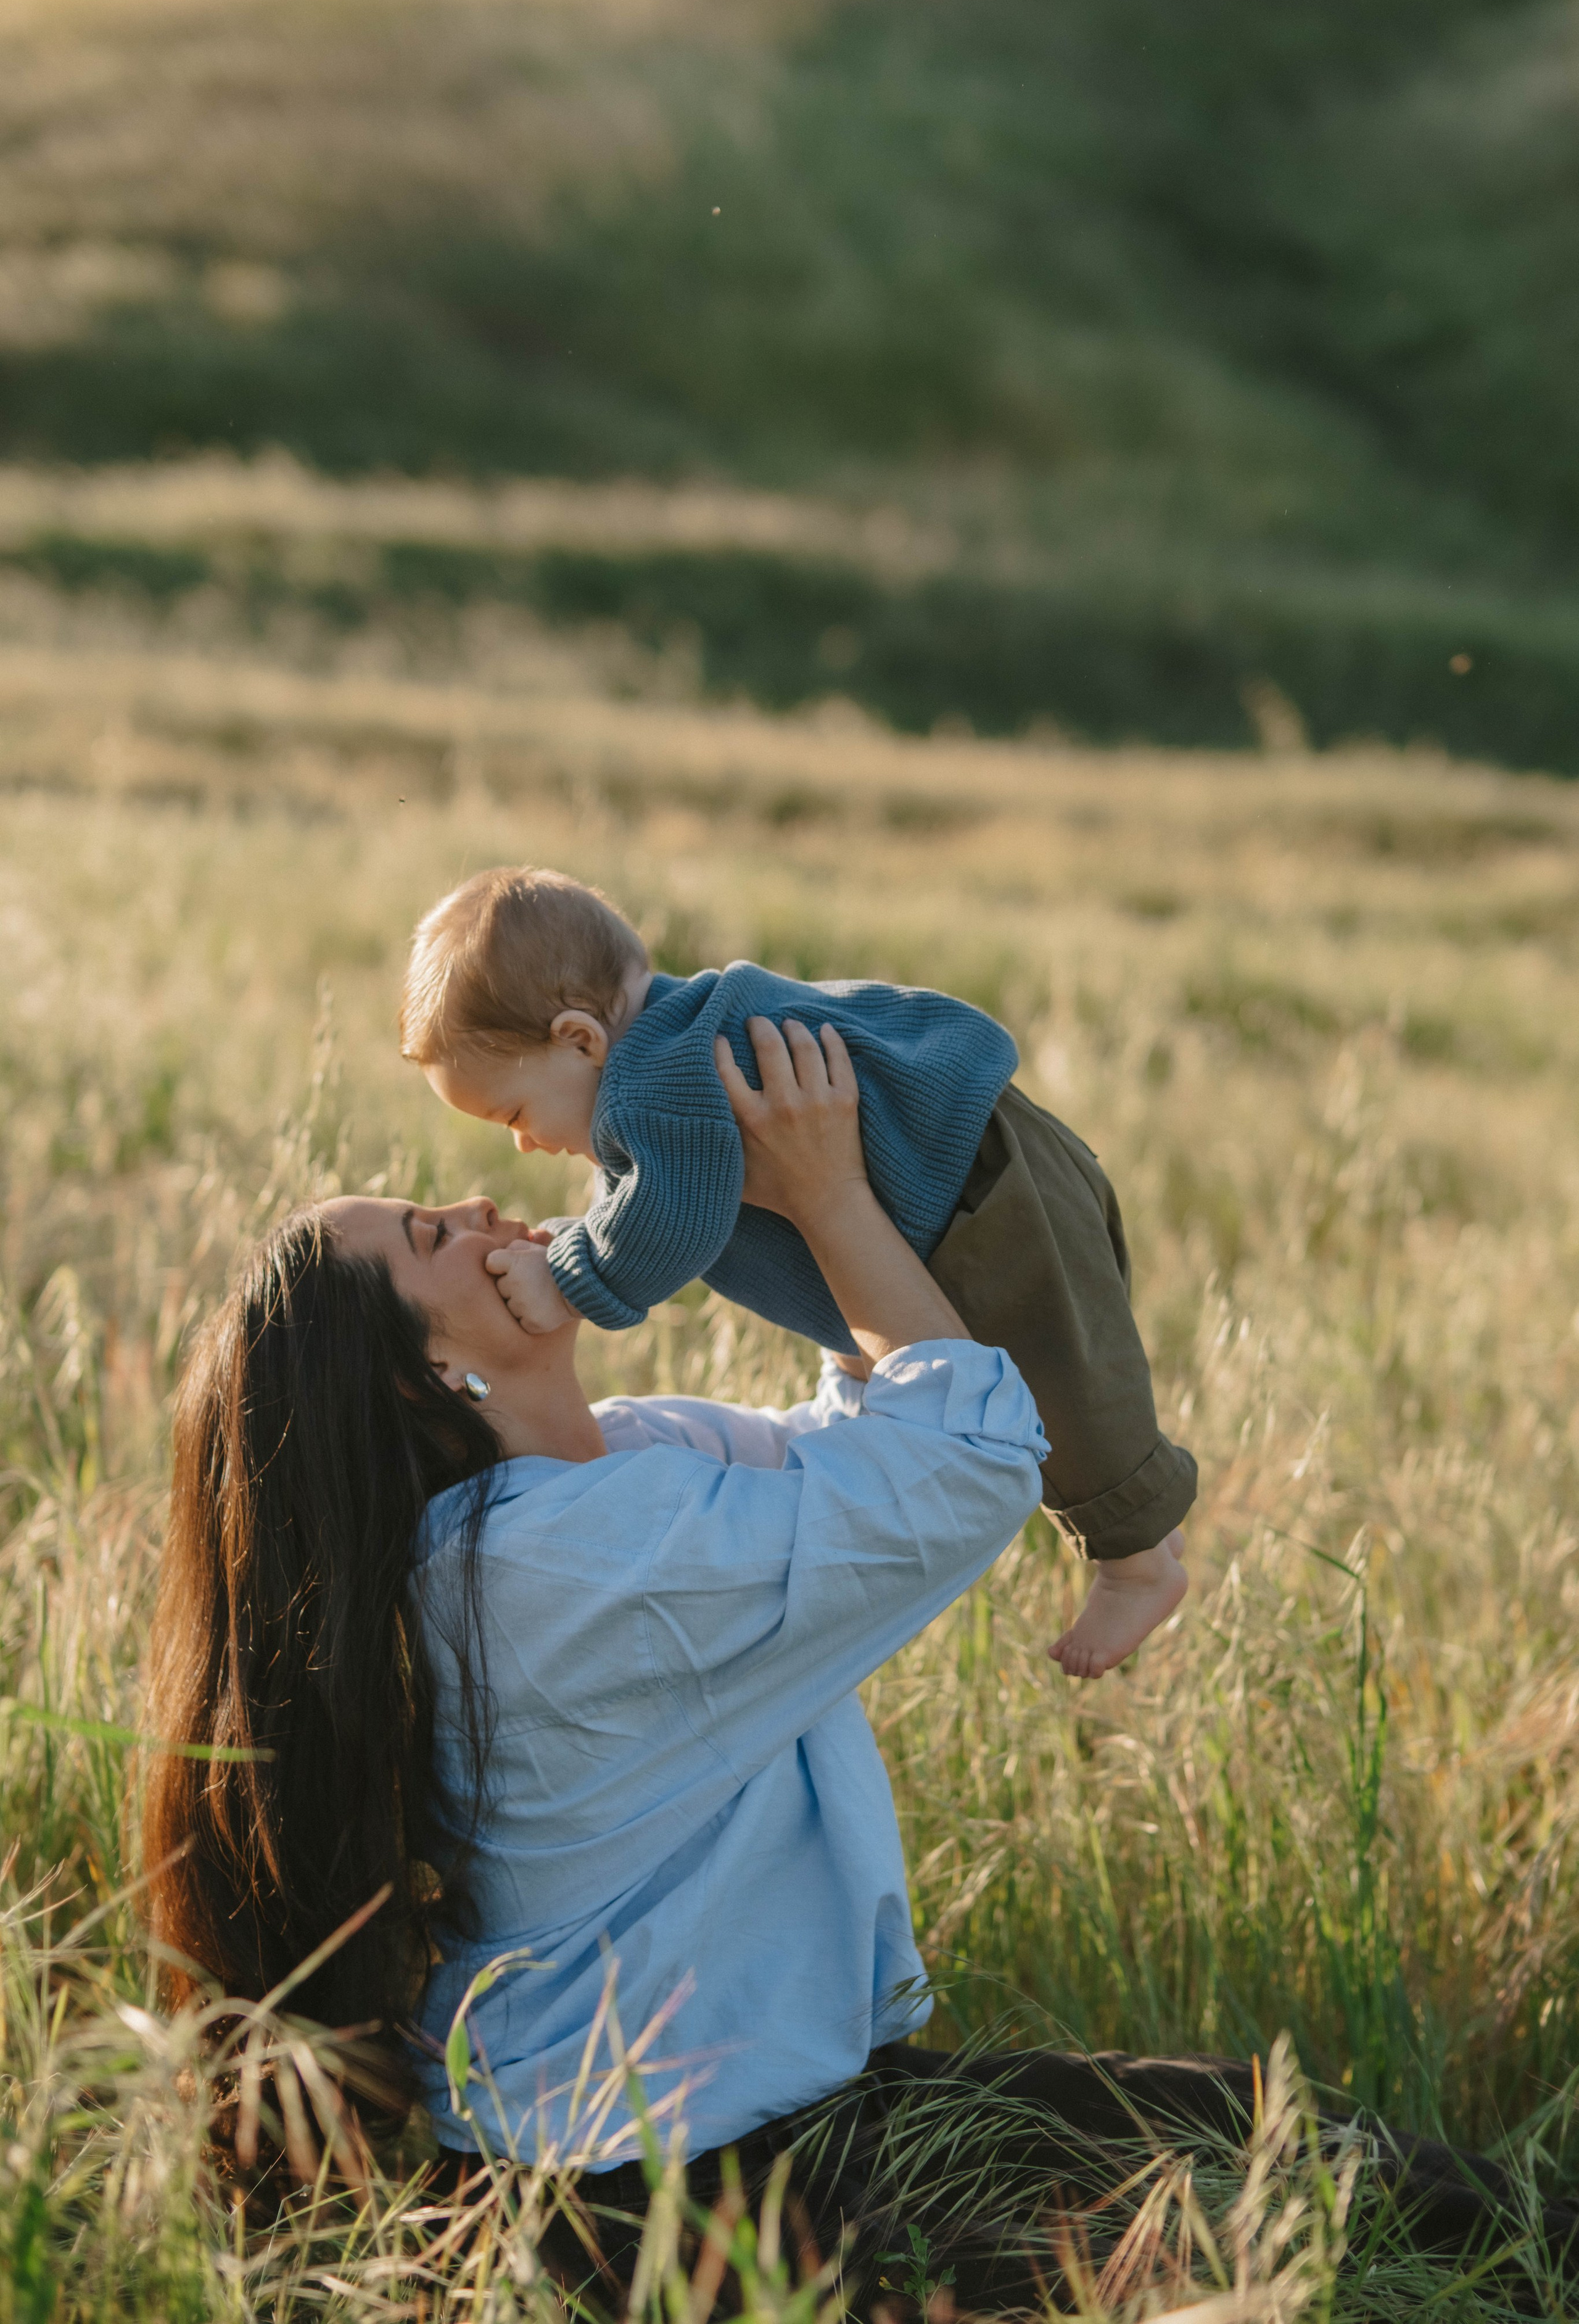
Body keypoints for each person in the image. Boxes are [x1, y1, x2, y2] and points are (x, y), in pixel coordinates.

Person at [142, 1021, 1570, 2309]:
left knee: (1264, 2136)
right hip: (663, 2199)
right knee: (1296, 2204)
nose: (472, 1204)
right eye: (427, 1236)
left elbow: (867, 1438)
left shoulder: (607, 1474)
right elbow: (954, 1469)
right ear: (428, 1378)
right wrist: (828, 1201)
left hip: (719, 2130)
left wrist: (790, 1202)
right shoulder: (561, 1564)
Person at [399, 864, 1192, 1679]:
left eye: (514, 1115)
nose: (523, 1145)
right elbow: (638, 1199)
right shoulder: (672, 1051)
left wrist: (569, 1279)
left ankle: (1138, 1563)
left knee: (1062, 1377)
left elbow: (666, 1222)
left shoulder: (652, 1086)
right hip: (973, 1181)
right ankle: (1145, 1530)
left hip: (981, 1192)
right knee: (1053, 1377)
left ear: (580, 1039)